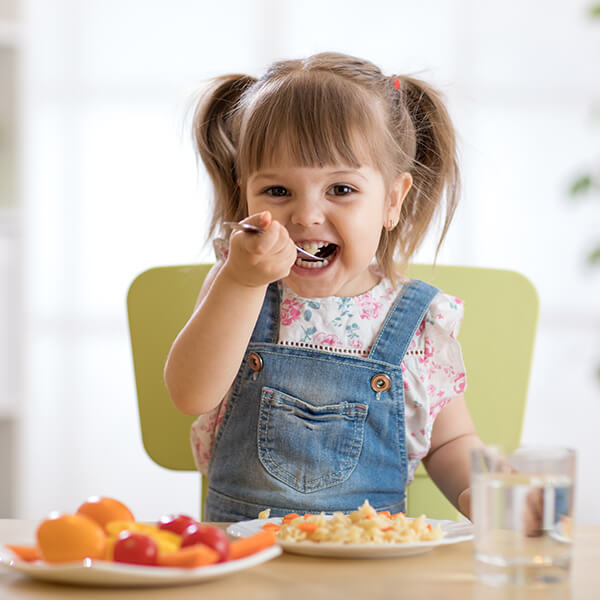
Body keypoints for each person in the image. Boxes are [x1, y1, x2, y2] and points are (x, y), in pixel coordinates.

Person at [164, 52, 484, 522]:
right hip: (246, 566)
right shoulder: (238, 288)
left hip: (368, 572)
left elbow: (452, 441)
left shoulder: (418, 321)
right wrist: (240, 280)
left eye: (341, 190)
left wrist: (484, 493)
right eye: (277, 191)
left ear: (392, 201)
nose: (307, 215)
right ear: (247, 193)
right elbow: (190, 395)